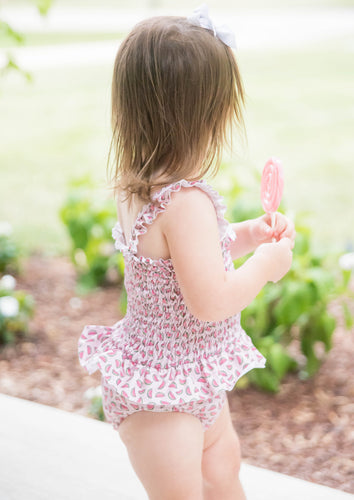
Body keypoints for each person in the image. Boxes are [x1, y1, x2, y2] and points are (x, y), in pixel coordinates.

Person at [78, 5, 296, 499]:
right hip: (166, 399)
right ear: (202, 119)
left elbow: (177, 262)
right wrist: (268, 264)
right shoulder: (187, 203)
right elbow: (211, 300)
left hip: (177, 379)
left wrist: (245, 235)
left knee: (223, 472)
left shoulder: (139, 186)